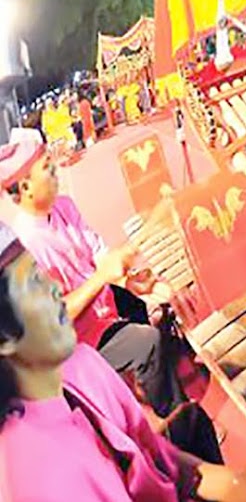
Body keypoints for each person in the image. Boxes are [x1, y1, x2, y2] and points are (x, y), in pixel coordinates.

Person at [0, 230, 246, 502]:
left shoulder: (86, 365)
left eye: (42, 273)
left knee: (192, 421)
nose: (55, 288)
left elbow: (167, 466)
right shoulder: (34, 494)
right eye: (33, 284)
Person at [0, 129, 180, 417]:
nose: (55, 171)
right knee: (147, 343)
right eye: (47, 168)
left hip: (101, 307)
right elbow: (56, 317)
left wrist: (129, 281)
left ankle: (141, 391)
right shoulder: (28, 246)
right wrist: (103, 278)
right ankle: (175, 423)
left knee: (150, 304)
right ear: (25, 188)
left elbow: (97, 252)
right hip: (77, 340)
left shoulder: (64, 205)